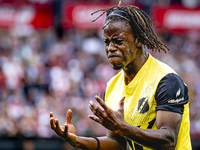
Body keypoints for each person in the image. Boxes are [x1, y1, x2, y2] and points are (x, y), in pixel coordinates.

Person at [50, 4, 192, 150]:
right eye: (107, 42)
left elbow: (168, 140)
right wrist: (78, 141)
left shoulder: (166, 80)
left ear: (139, 40)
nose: (110, 48)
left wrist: (123, 128)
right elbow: (117, 142)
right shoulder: (112, 85)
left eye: (118, 41)